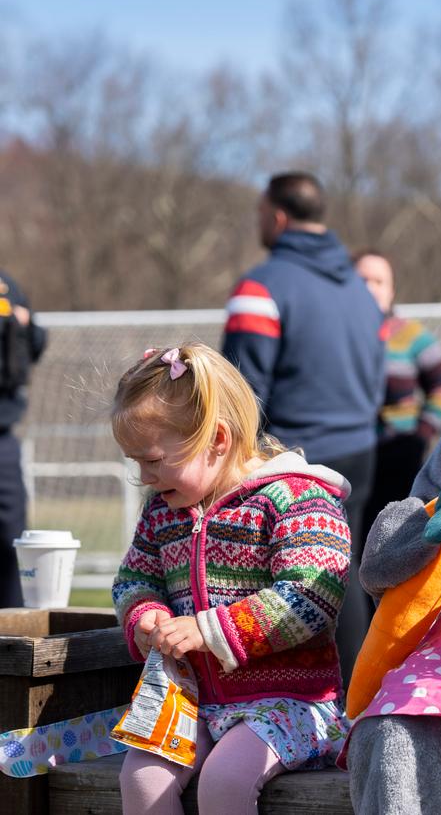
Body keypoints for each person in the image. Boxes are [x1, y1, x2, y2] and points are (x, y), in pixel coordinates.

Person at [110, 343, 351, 815]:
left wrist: (209, 628)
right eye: (135, 461)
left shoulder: (294, 498)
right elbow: (133, 578)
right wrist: (146, 616)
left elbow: (312, 593)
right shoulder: (164, 511)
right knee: (141, 778)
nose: (144, 476)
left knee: (224, 781)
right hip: (195, 703)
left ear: (217, 439)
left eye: (154, 460)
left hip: (290, 704)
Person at [222, 171, 384, 687]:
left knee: (273, 584)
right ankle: (356, 701)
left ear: (276, 217)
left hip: (288, 463)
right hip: (359, 448)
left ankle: (278, 706)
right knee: (343, 574)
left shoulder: (261, 288)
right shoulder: (361, 292)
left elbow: (238, 393)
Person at [351, 250, 441, 527]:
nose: (369, 288)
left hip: (399, 457)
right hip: (347, 456)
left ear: (391, 289)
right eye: (361, 279)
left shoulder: (412, 336)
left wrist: (421, 435)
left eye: (378, 281)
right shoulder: (335, 334)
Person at [0, 269, 47, 607]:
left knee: (11, 542)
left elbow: (35, 344)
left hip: (2, 436)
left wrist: (23, 325)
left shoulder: (6, 287)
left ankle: (11, 638)